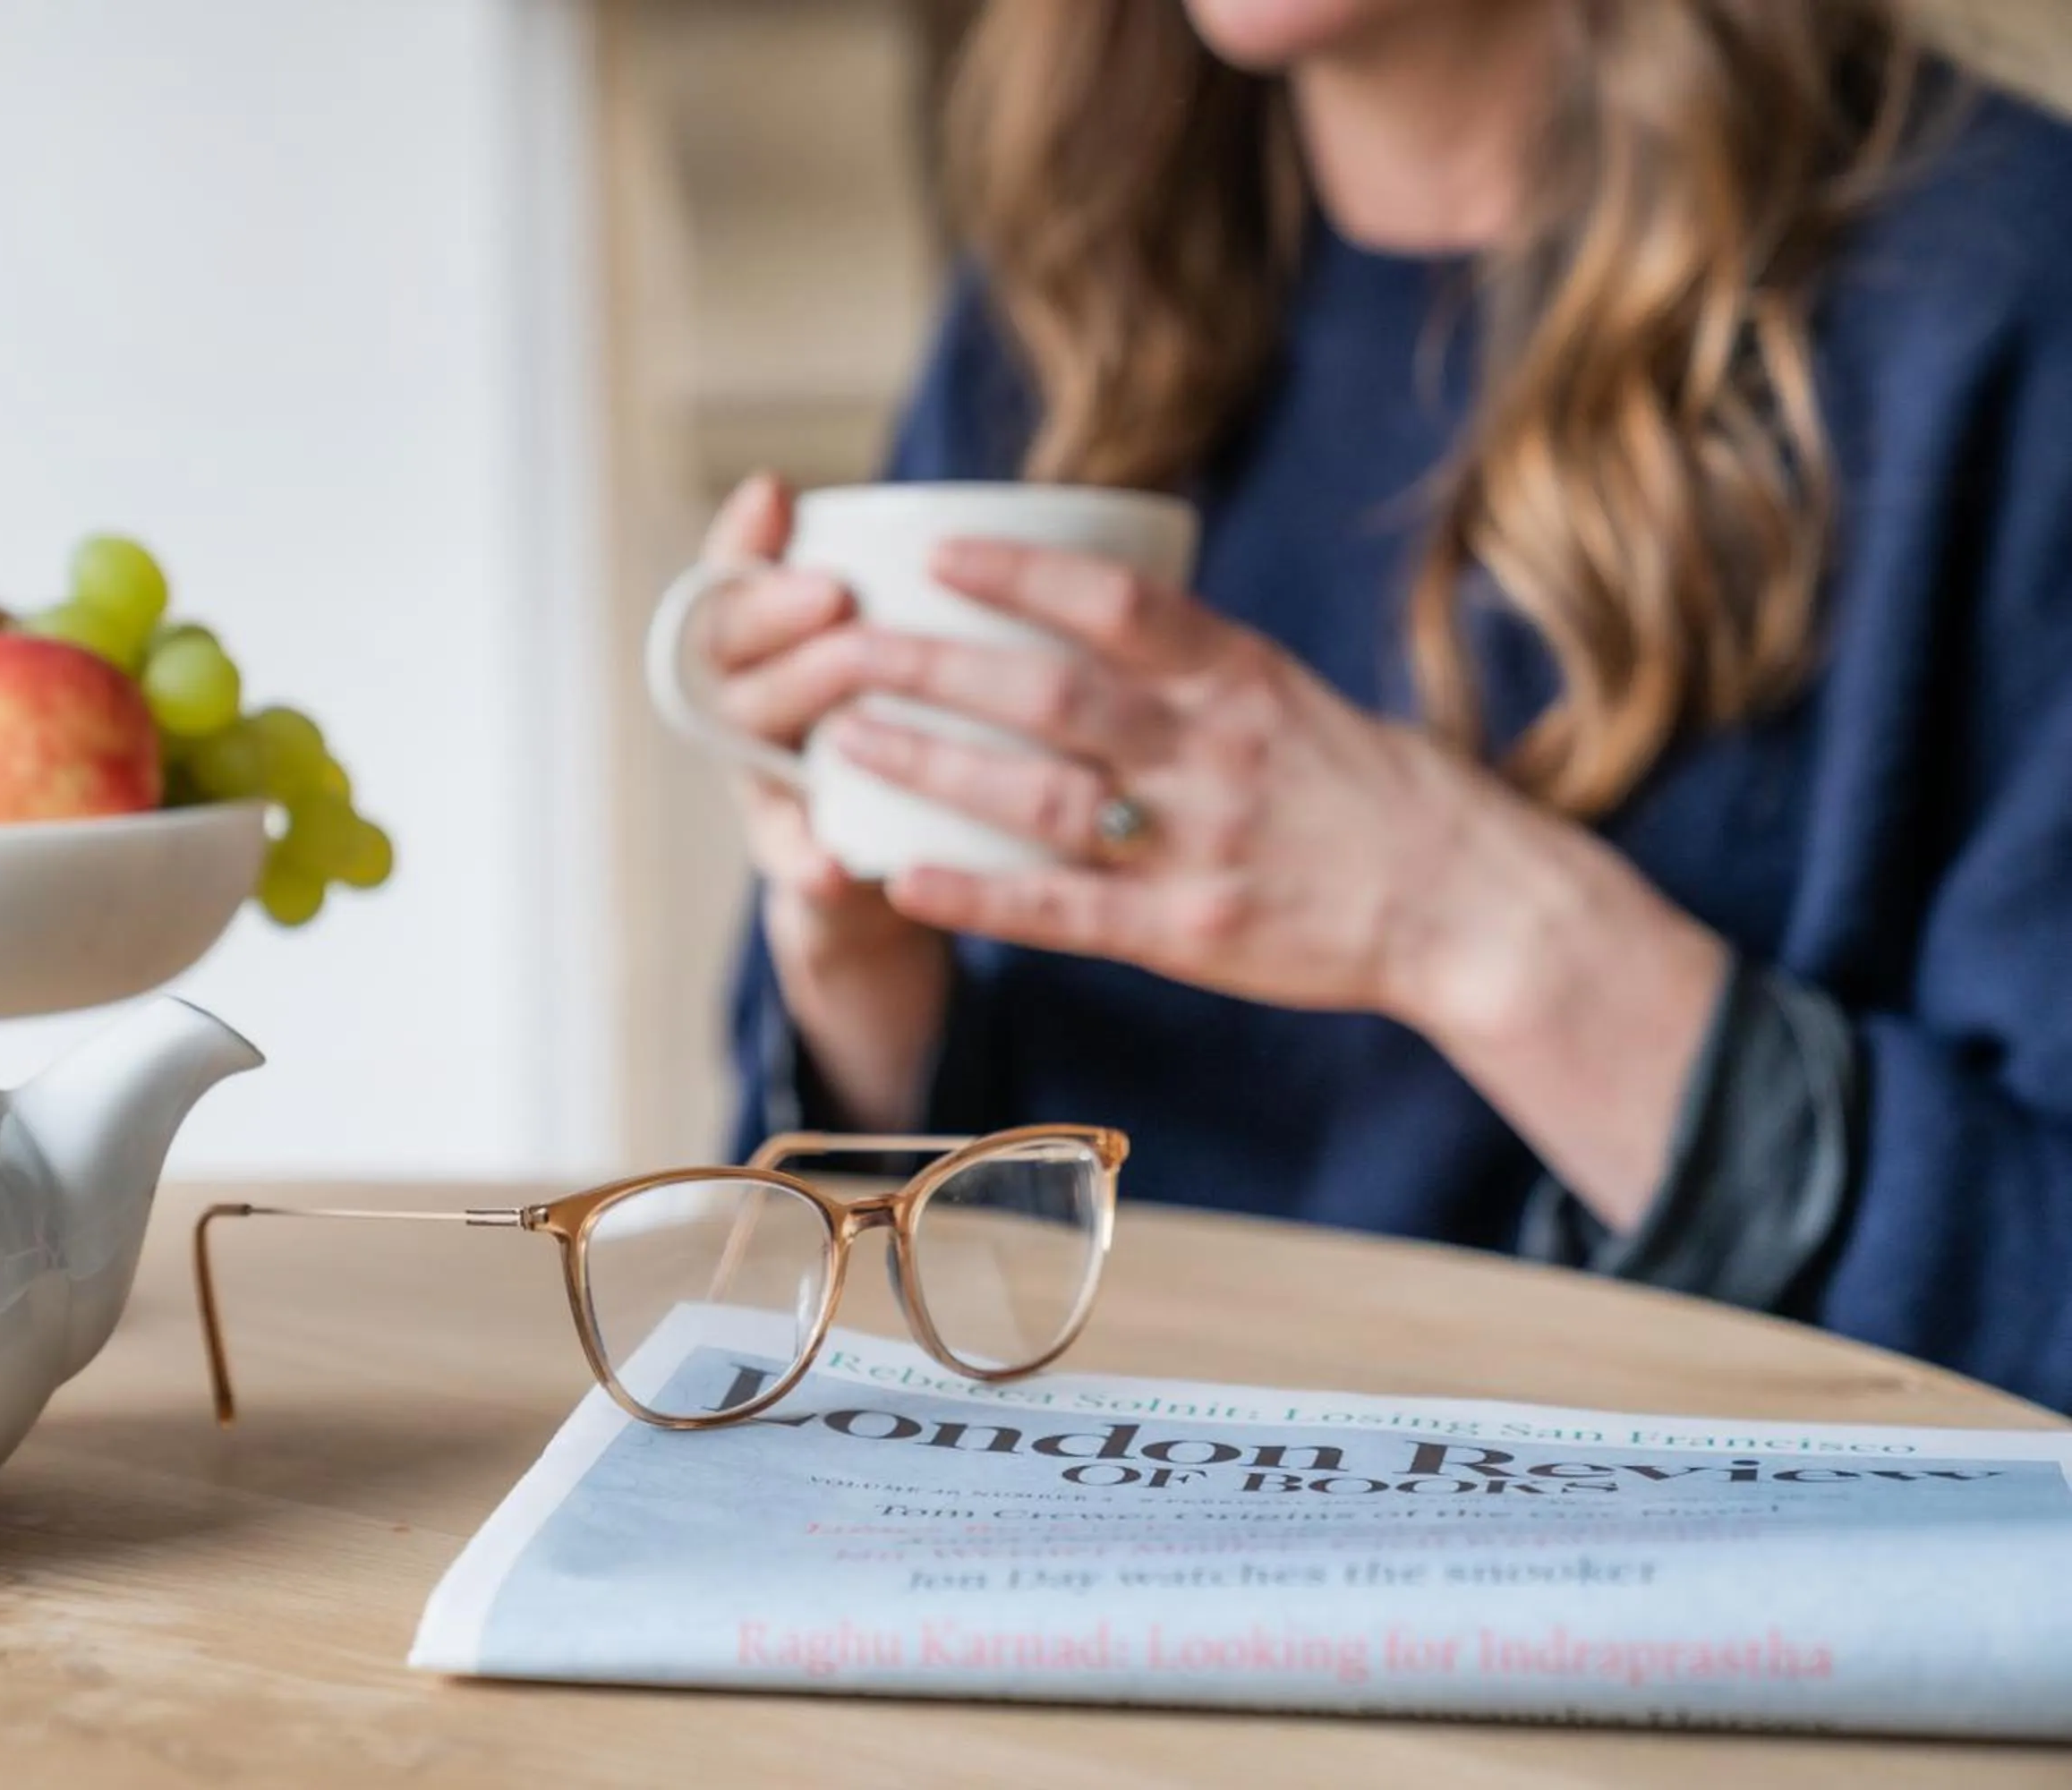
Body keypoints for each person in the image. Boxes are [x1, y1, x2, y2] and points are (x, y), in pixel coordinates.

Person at [700, 0, 2072, 1411]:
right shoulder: (1063, 304)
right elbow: (846, 1275)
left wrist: (1463, 921)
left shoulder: (2003, 297)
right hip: (1067, 1551)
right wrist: (858, 965)